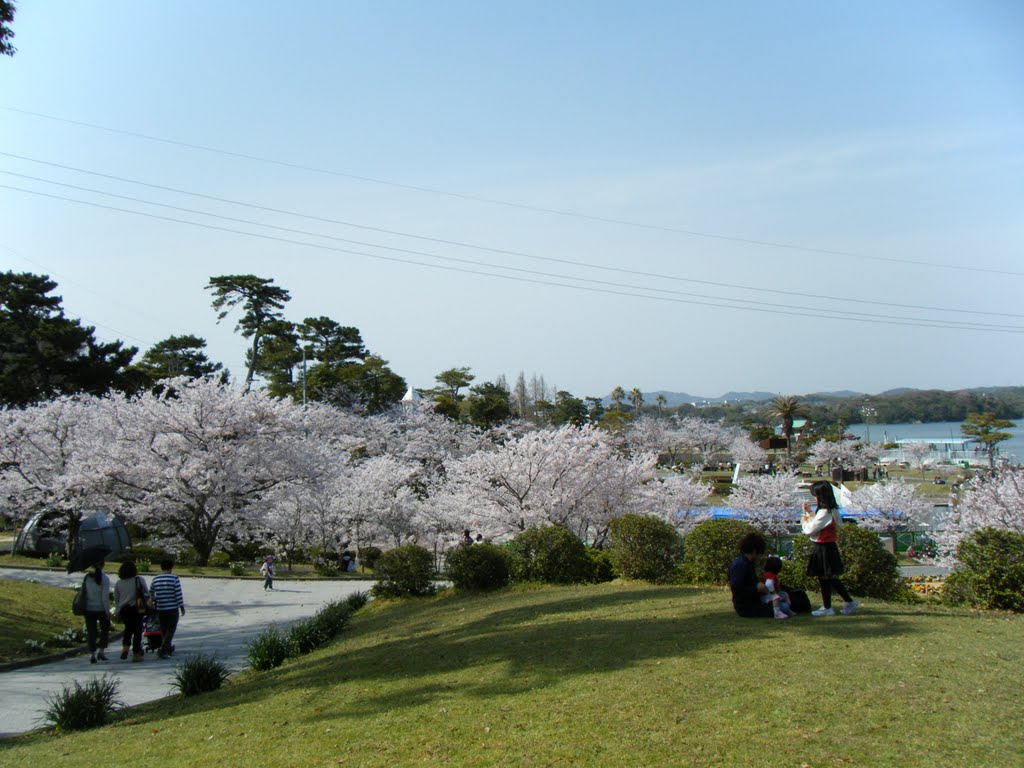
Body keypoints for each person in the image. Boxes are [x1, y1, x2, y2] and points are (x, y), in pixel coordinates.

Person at [802, 481, 860, 617]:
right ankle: (840, 603)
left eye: (815, 495)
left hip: (823, 547)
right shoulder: (832, 510)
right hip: (829, 546)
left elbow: (810, 530)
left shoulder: (824, 512)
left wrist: (805, 521)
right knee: (828, 577)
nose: (815, 499)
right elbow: (830, 523)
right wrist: (810, 513)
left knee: (825, 577)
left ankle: (830, 606)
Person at [728, 533, 774, 618]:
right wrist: (756, 588)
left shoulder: (747, 563)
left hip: (751, 602)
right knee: (781, 606)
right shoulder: (741, 565)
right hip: (746, 607)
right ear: (754, 551)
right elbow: (736, 588)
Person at [113, 560, 149, 661]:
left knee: (128, 629)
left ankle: (125, 647)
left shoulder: (119, 583)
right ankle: (136, 654)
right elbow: (146, 593)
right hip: (136, 608)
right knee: (138, 631)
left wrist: (117, 610)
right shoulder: (139, 580)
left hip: (124, 609)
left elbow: (116, 599)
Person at [150, 558, 185, 658]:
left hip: (161, 608)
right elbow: (178, 593)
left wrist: (154, 600)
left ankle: (168, 648)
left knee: (164, 629)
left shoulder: (156, 579)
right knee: (171, 629)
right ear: (171, 567)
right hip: (172, 608)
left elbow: (151, 592)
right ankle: (164, 649)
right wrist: (181, 606)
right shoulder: (174, 578)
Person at [82, 561, 112, 663]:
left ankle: (92, 654)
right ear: (103, 565)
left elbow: (84, 593)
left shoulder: (87, 578)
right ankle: (101, 651)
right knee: (105, 629)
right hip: (101, 609)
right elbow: (105, 597)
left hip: (89, 608)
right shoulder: (105, 579)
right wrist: (107, 611)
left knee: (91, 631)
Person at [761, 555, 794, 620]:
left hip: (770, 595)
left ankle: (788, 610)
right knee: (777, 598)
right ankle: (777, 612)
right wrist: (773, 592)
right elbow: (769, 584)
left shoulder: (769, 574)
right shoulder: (770, 575)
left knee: (785, 594)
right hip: (767, 596)